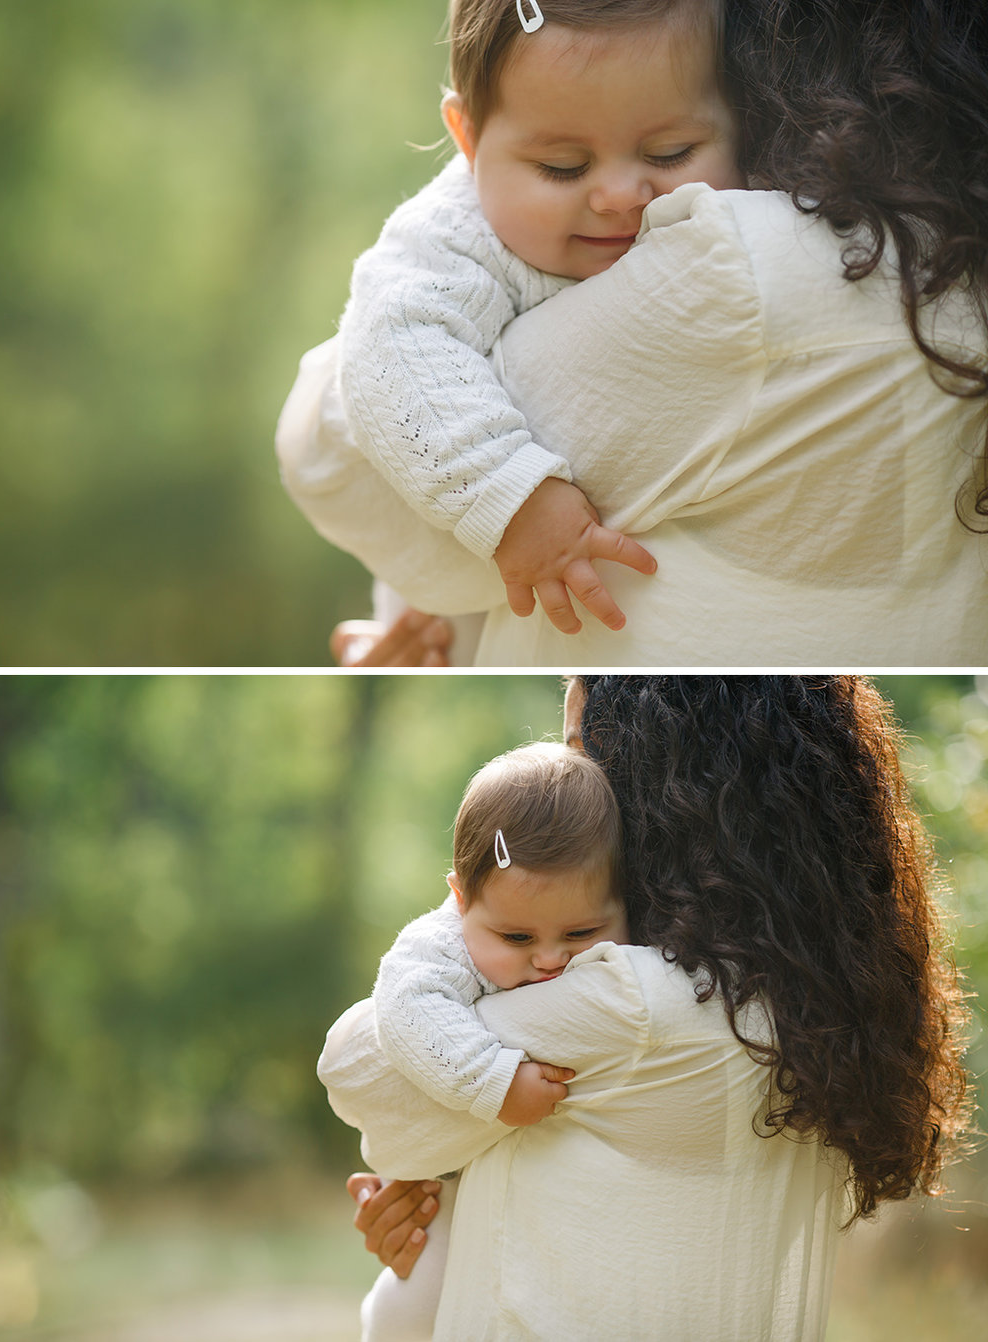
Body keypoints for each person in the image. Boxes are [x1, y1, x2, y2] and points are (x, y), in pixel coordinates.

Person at [277, 0, 988, 666]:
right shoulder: (452, 239)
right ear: (466, 139)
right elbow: (390, 350)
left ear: (742, 117)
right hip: (445, 576)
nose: (619, 194)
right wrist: (510, 494)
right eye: (562, 166)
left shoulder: (745, 259)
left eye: (671, 152)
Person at [320, 676, 971, 1340]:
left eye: (582, 751)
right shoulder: (804, 1002)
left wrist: (419, 1155)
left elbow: (357, 1075)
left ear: (653, 784)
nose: (569, 791)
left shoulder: (637, 999)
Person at [336, 741, 627, 1340]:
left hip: (552, 1212)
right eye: (516, 937)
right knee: (412, 1304)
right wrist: (492, 1082)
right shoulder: (438, 947)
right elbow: (405, 1007)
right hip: (445, 1178)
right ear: (460, 899)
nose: (550, 958)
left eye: (582, 931)